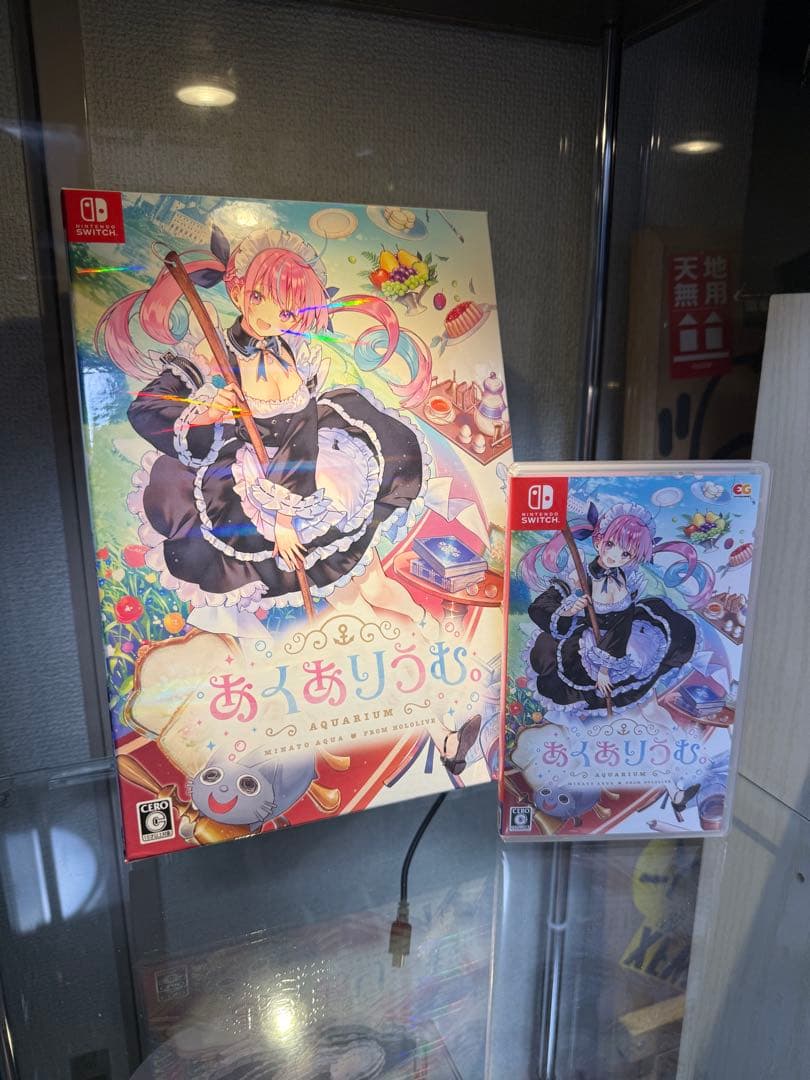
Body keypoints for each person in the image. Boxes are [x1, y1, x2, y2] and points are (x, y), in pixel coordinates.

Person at [97, 226, 433, 633]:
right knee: (341, 595)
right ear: (239, 290)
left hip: (310, 472)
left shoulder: (291, 351)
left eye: (286, 312)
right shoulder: (212, 353)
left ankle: (419, 627)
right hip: (250, 479)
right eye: (259, 297)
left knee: (368, 579)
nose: (269, 317)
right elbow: (147, 408)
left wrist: (286, 519)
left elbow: (302, 432)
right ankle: (389, 637)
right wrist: (205, 413)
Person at [525, 502, 696, 718]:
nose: (614, 555)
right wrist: (569, 611)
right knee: (561, 668)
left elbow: (621, 625)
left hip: (618, 642)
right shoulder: (580, 574)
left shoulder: (620, 579)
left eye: (625, 553)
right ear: (599, 540)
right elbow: (541, 605)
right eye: (610, 544)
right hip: (586, 639)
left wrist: (604, 669)